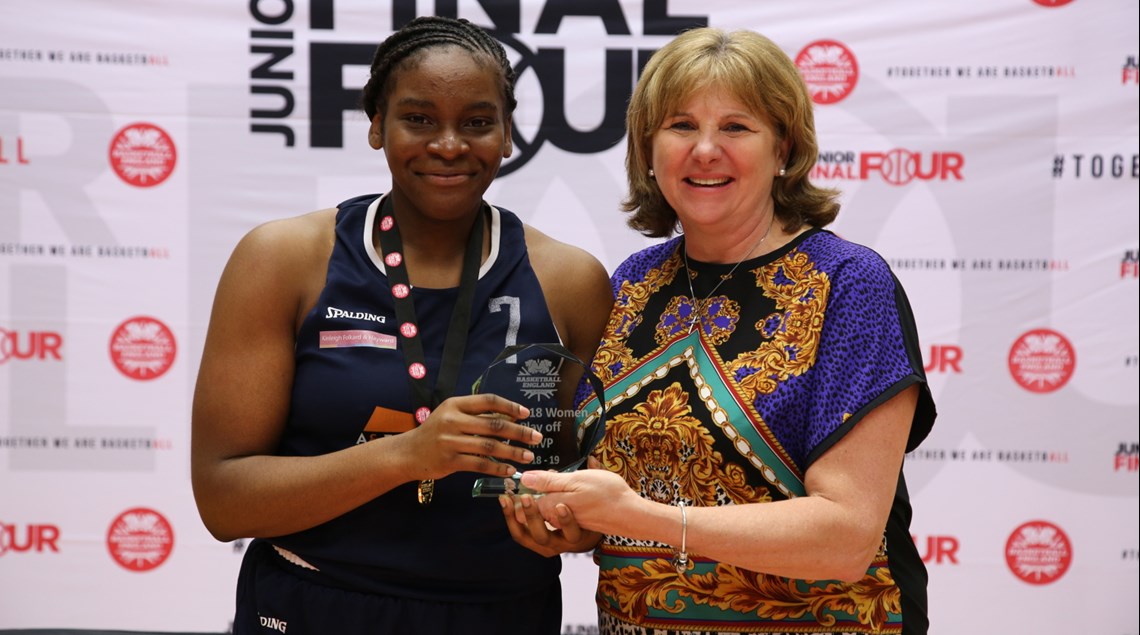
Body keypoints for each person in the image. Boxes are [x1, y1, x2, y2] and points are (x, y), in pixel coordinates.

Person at [501, 27, 938, 635]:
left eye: (735, 127)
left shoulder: (847, 283)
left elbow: (846, 538)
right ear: (648, 150)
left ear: (784, 148)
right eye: (681, 126)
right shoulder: (633, 282)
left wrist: (641, 518)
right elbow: (621, 495)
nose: (705, 150)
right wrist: (574, 525)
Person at [190, 15, 613, 635]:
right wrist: (407, 455)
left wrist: (575, 528)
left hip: (501, 613)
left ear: (508, 133)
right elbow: (223, 501)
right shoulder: (284, 260)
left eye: (478, 122)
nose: (449, 145)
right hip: (316, 605)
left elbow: (588, 484)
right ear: (376, 125)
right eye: (418, 119)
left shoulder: (571, 281)